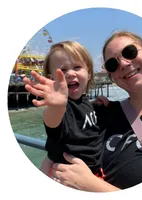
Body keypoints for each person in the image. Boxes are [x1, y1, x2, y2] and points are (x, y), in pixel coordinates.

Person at [49, 31, 142, 192]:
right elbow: (57, 146)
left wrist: (91, 185)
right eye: (112, 64)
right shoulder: (102, 112)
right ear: (112, 76)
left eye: (129, 52)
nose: (123, 63)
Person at [23, 41, 107, 180]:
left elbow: (82, 116)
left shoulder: (86, 103)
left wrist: (97, 104)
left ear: (89, 73)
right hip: (67, 178)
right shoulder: (60, 108)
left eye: (77, 67)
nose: (70, 73)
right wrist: (56, 106)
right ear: (51, 79)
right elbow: (52, 121)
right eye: (62, 70)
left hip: (94, 175)